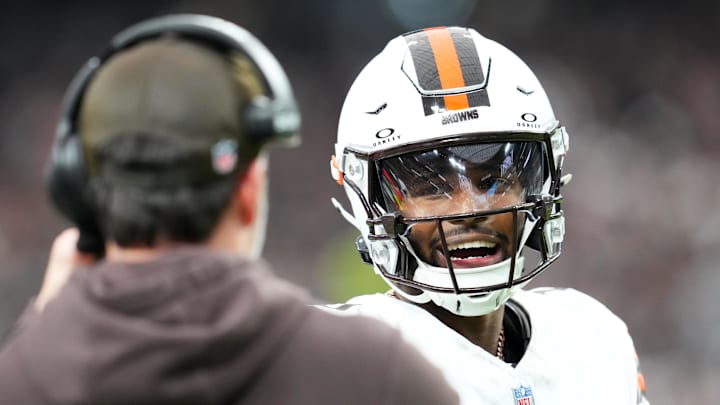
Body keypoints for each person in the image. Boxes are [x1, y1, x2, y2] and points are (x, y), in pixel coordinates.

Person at [0, 15, 460, 405]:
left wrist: (41, 328)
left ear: (77, 190)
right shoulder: (378, 374)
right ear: (248, 191)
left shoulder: (20, 380)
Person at [325, 26, 650, 404]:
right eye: (432, 188)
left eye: (493, 178)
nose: (470, 209)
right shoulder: (337, 361)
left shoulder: (592, 337)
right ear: (368, 194)